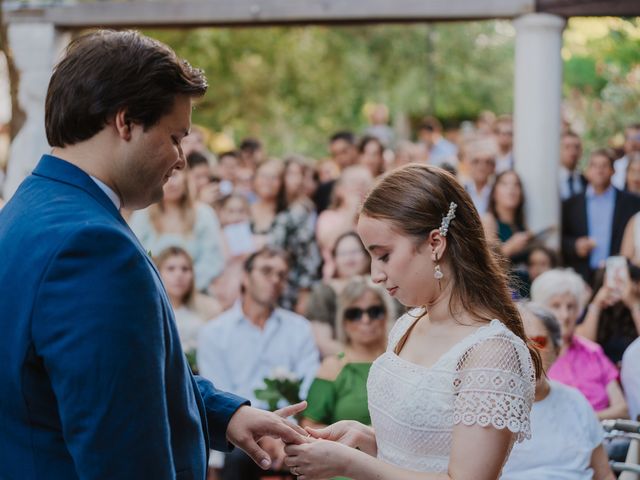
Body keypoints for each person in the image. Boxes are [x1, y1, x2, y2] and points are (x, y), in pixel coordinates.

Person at [0, 30, 308, 479]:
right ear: (125, 123)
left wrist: (225, 414)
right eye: (175, 136)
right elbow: (120, 446)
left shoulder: (30, 209)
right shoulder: (92, 248)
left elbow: (120, 378)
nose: (181, 158)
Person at [284, 163, 539, 479]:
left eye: (384, 255)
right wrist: (367, 437)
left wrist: (348, 463)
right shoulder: (409, 324)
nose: (376, 275)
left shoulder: (491, 352)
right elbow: (421, 451)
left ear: (435, 244)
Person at [197, 246, 320, 480]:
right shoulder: (213, 333)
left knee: (311, 452)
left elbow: (306, 390)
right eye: (267, 271)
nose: (275, 280)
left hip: (292, 433)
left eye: (282, 275)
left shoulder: (300, 328)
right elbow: (220, 394)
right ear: (245, 276)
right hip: (236, 433)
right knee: (237, 456)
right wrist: (265, 433)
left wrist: (284, 433)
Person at [502, 303, 615, 480]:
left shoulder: (576, 401)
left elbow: (605, 474)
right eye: (517, 342)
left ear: (556, 350)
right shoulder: (491, 409)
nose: (528, 352)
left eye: (538, 342)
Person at [530, 269, 628, 419]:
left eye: (571, 307)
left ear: (579, 311)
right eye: (556, 306)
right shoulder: (536, 356)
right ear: (542, 311)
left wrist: (585, 421)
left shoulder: (592, 351)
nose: (565, 315)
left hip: (604, 436)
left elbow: (622, 409)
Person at [302, 276, 393, 430]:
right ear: (343, 320)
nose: (365, 320)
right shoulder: (333, 367)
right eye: (354, 314)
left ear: (386, 314)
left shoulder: (403, 359)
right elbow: (309, 426)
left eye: (374, 311)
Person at [129, 167, 226, 291]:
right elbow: (134, 254)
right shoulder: (143, 214)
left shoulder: (203, 214)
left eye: (174, 175)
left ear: (185, 177)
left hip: (195, 293)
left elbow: (213, 259)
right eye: (163, 176)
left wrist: (183, 286)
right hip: (151, 290)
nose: (170, 182)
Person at [561, 148, 640, 284]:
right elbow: (561, 237)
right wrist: (575, 245)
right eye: (594, 165)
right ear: (587, 171)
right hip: (581, 274)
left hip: (617, 276)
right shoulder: (571, 204)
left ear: (613, 171)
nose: (599, 170)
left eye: (604, 165)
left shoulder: (631, 202)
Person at [305, 231, 371, 358]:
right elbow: (322, 343)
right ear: (334, 259)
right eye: (343, 254)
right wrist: (359, 359)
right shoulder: (323, 292)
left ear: (367, 255)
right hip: (341, 364)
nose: (349, 258)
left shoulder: (383, 287)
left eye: (355, 252)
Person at [155, 246, 221, 360]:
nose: (179, 275)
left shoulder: (209, 308)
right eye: (171, 269)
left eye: (185, 269)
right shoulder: (150, 312)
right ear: (158, 273)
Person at [482, 170, 532, 265]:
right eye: (504, 184)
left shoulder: (521, 224)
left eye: (516, 185)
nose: (511, 189)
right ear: (494, 193)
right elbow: (488, 262)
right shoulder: (489, 221)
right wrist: (510, 247)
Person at [558, 131, 587, 201]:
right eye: (567, 147)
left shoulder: (586, 182)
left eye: (576, 147)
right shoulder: (550, 181)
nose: (573, 151)